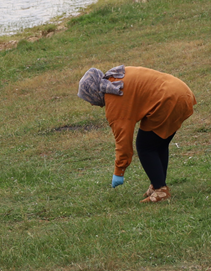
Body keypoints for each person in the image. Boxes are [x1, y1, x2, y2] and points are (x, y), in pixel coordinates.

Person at [77, 65, 196, 203]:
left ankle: (161, 191)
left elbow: (123, 140)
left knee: (145, 147)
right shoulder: (116, 76)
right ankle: (158, 184)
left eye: (89, 98)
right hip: (181, 92)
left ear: (94, 92)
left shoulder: (114, 96)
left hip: (168, 99)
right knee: (158, 144)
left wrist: (119, 171)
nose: (92, 104)